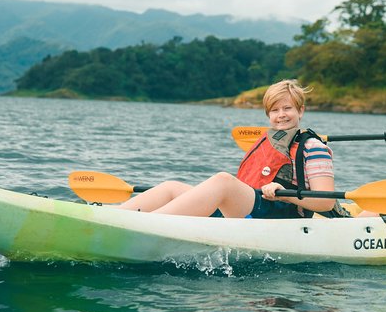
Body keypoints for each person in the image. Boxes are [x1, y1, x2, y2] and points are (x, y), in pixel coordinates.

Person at [115, 79, 336, 218]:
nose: (281, 115)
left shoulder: (313, 147)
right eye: (275, 110)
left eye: (287, 108)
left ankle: (146, 225)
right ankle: (114, 217)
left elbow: (326, 202)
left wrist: (284, 195)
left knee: (223, 180)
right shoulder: (268, 141)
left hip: (281, 214)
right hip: (253, 206)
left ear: (301, 111)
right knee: (171, 187)